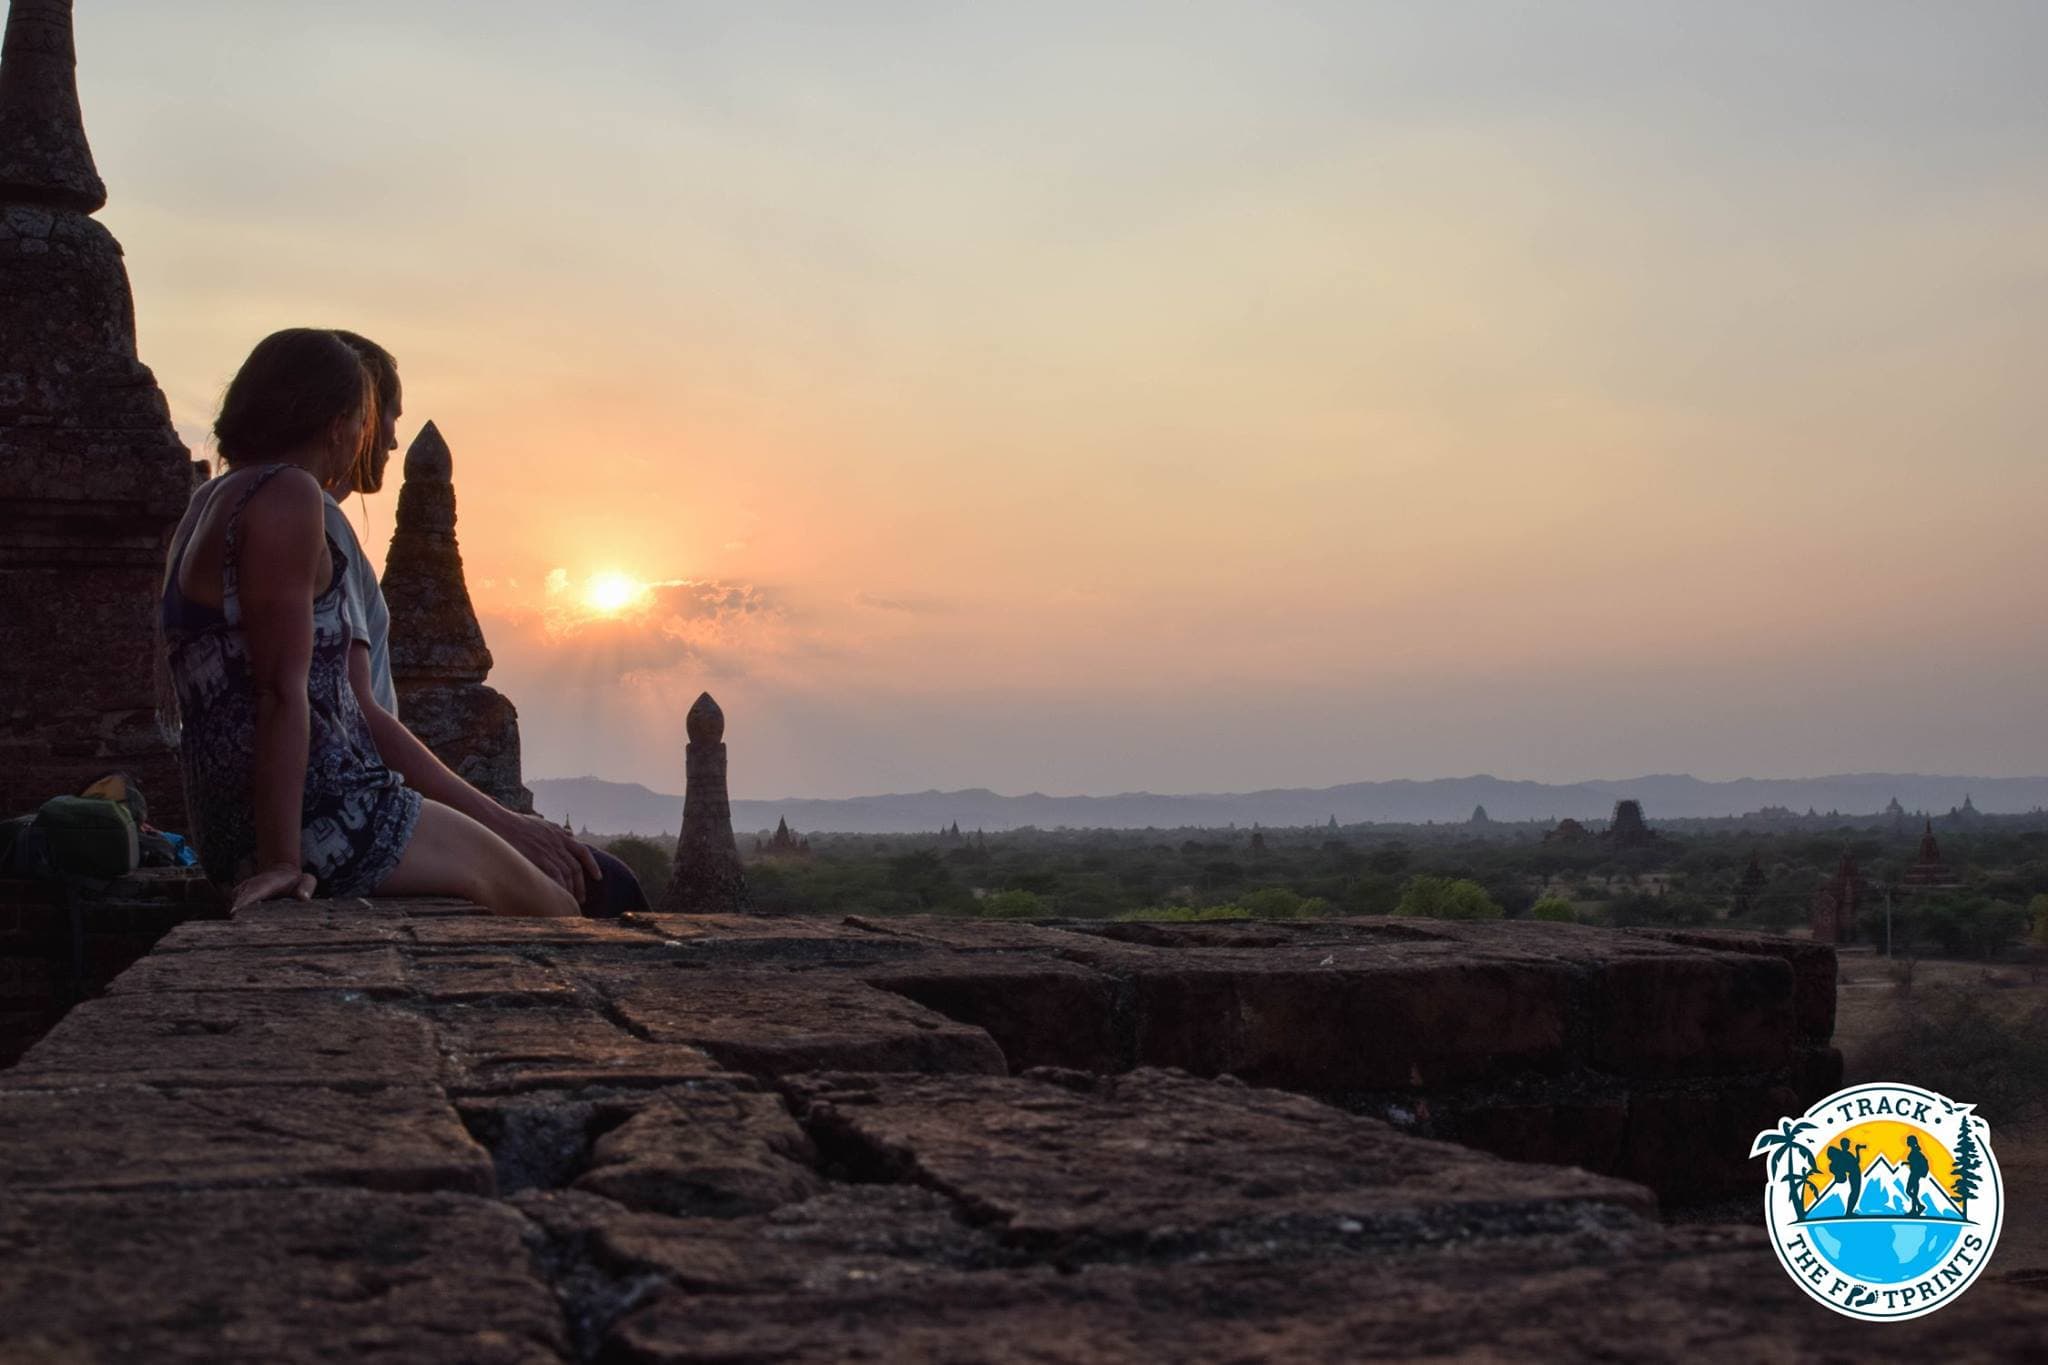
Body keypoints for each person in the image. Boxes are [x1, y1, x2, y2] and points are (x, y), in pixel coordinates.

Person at [160, 328, 578, 917]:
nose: (365, 435)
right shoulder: (288, 494)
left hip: (234, 830)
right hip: (332, 818)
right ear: (337, 421)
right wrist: (283, 858)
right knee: (558, 909)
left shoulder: (205, 505)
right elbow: (280, 691)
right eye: (364, 416)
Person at [323, 332, 646, 916]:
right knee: (602, 894)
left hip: (322, 812)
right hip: (342, 816)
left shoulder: (224, 508)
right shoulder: (316, 526)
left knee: (599, 878)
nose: (394, 438)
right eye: (388, 417)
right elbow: (351, 711)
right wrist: (506, 824)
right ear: (354, 420)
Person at [1904, 1134, 1929, 1216]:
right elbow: (1914, 1162)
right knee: (1913, 1192)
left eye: (1908, 1141)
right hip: (1914, 1174)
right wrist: (1907, 1163)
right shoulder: (1914, 1151)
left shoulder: (1915, 1151)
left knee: (1909, 1191)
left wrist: (1909, 1163)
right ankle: (1916, 1208)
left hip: (1915, 1174)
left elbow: (1916, 1163)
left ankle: (1917, 1207)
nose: (1906, 1142)